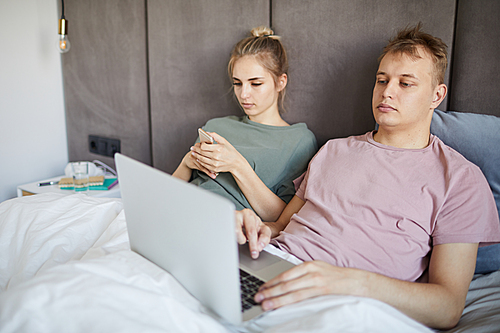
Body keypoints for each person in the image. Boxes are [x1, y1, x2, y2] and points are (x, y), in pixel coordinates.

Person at [235, 23, 500, 330]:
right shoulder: (333, 151)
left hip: (350, 304)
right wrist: (256, 230)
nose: (387, 91)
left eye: (406, 83)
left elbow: (447, 307)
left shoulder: (460, 180)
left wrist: (346, 281)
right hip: (273, 272)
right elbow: (280, 226)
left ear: (436, 95)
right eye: (382, 80)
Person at [172, 26, 317, 222]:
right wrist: (186, 163)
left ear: (281, 82)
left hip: (225, 224)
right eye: (237, 83)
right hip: (181, 211)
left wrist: (237, 165)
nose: (243, 95)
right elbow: (168, 195)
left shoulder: (299, 140)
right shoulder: (216, 126)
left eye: (255, 83)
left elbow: (282, 219)